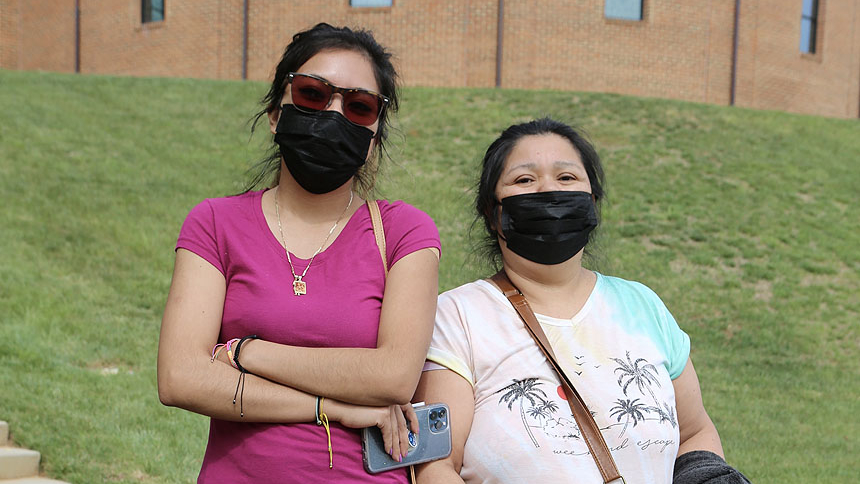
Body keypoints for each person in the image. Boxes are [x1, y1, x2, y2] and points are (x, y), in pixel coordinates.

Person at [157, 23, 440, 483]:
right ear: (275, 113)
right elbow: (181, 377)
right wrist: (332, 407)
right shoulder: (215, 223)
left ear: (372, 140)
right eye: (312, 94)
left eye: (359, 106)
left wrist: (246, 352)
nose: (334, 114)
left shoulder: (404, 230)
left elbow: (392, 377)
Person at [413, 118, 748, 483]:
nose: (548, 191)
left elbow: (695, 433)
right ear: (494, 214)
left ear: (592, 203)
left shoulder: (643, 306)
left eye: (567, 178)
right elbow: (436, 467)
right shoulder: (458, 317)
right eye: (524, 180)